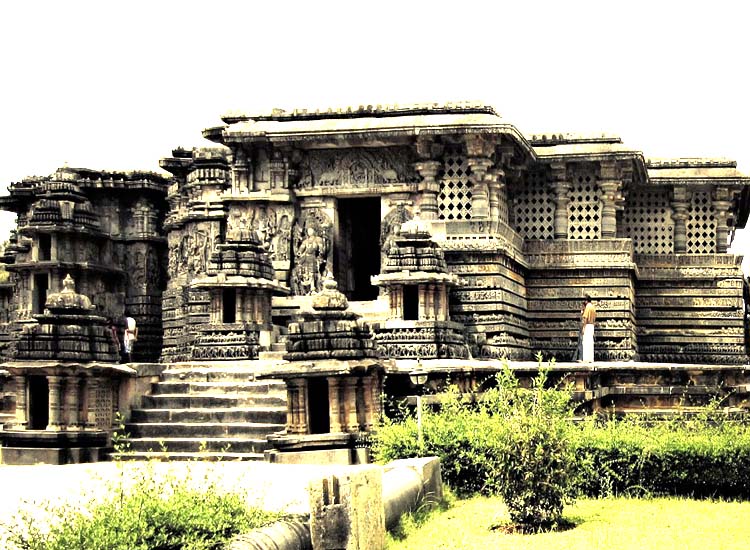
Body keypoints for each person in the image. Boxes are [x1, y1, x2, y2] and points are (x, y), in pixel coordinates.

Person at [581, 295, 596, 363]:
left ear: (586, 300)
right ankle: (591, 358)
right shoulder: (593, 307)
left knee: (586, 342)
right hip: (592, 325)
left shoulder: (588, 307)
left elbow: (585, 318)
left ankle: (586, 359)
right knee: (590, 342)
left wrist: (583, 328)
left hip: (587, 325)